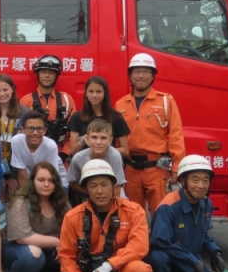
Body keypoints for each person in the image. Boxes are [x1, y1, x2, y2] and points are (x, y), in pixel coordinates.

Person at [51, 160, 153, 272]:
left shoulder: (134, 211)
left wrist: (110, 265)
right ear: (86, 189)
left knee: (140, 269)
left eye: (104, 185)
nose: (99, 191)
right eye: (93, 186)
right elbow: (66, 255)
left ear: (114, 186)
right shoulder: (73, 217)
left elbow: (140, 245)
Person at [148, 155, 225, 272]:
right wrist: (191, 260)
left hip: (190, 257)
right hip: (171, 255)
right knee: (159, 258)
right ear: (183, 181)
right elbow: (159, 241)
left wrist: (214, 252)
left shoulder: (206, 204)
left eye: (205, 180)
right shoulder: (168, 206)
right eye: (195, 180)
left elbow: (205, 234)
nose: (201, 185)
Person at [115, 53, 185, 214]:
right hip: (130, 170)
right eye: (136, 71)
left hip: (157, 170)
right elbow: (116, 141)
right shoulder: (120, 104)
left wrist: (176, 168)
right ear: (130, 76)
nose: (141, 75)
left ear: (153, 76)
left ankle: (161, 241)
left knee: (163, 214)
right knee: (131, 215)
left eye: (146, 71)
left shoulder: (165, 101)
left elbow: (176, 136)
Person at [2, 162, 70, 272]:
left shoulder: (62, 203)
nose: (46, 184)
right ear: (32, 181)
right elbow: (22, 237)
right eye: (41, 180)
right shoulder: (20, 201)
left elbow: (72, 230)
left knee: (72, 252)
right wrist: (57, 242)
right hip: (15, 247)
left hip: (47, 249)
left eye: (51, 180)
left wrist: (63, 245)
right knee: (33, 255)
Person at [18, 55, 76, 156]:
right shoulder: (26, 101)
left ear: (56, 76)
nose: (47, 76)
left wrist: (64, 154)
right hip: (32, 155)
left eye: (51, 73)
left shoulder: (67, 100)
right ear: (38, 75)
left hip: (60, 155)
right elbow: (21, 133)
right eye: (43, 72)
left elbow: (74, 132)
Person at [0, 74, 29, 198]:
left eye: (5, 89)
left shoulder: (25, 113)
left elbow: (24, 148)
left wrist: (13, 176)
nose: (2, 93)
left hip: (19, 171)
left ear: (12, 89)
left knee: (15, 209)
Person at [66, 119, 126, 202]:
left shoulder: (115, 156)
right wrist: (90, 193)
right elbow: (72, 182)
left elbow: (117, 188)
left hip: (112, 193)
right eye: (94, 137)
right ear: (87, 139)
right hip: (87, 195)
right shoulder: (78, 158)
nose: (98, 142)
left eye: (103, 138)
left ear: (110, 140)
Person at [68, 76, 129, 157]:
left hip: (108, 166)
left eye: (99, 91)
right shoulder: (77, 117)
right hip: (84, 166)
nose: (94, 95)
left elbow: (125, 151)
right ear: (85, 93)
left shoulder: (116, 117)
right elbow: (73, 151)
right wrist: (83, 140)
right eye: (91, 91)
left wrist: (104, 150)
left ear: (105, 94)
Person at [10, 110, 67, 189]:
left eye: (39, 129)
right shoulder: (16, 141)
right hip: (34, 179)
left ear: (45, 131)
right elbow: (22, 174)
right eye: (30, 128)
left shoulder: (51, 146)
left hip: (56, 180)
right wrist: (26, 197)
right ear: (22, 129)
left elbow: (51, 177)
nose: (35, 133)